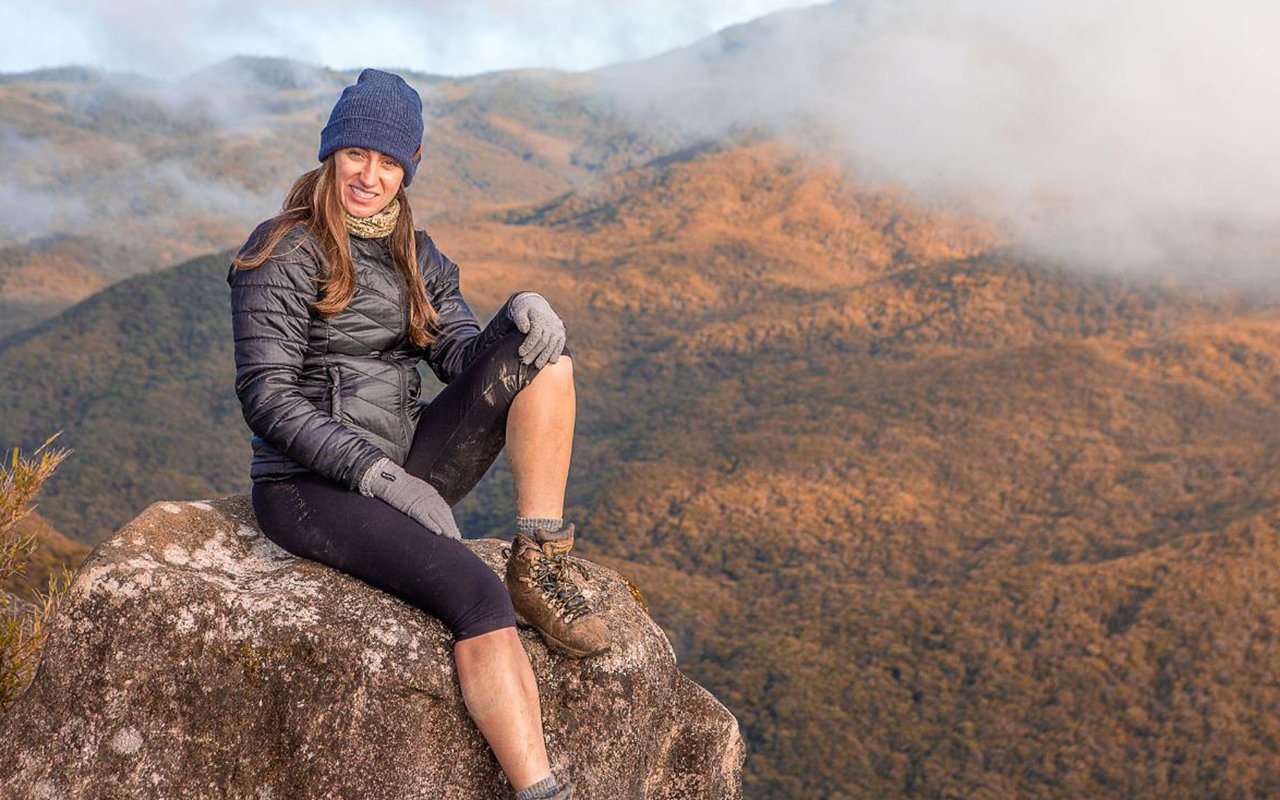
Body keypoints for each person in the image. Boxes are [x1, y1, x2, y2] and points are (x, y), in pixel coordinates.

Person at [226, 68, 608, 800]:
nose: (370, 176)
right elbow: (266, 396)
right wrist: (378, 476)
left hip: (404, 459)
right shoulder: (283, 249)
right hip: (313, 485)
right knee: (473, 594)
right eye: (356, 155)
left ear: (409, 168)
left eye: (389, 162)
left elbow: (460, 358)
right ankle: (540, 790)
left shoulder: (415, 252)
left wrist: (515, 318)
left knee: (545, 363)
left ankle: (540, 556)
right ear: (331, 153)